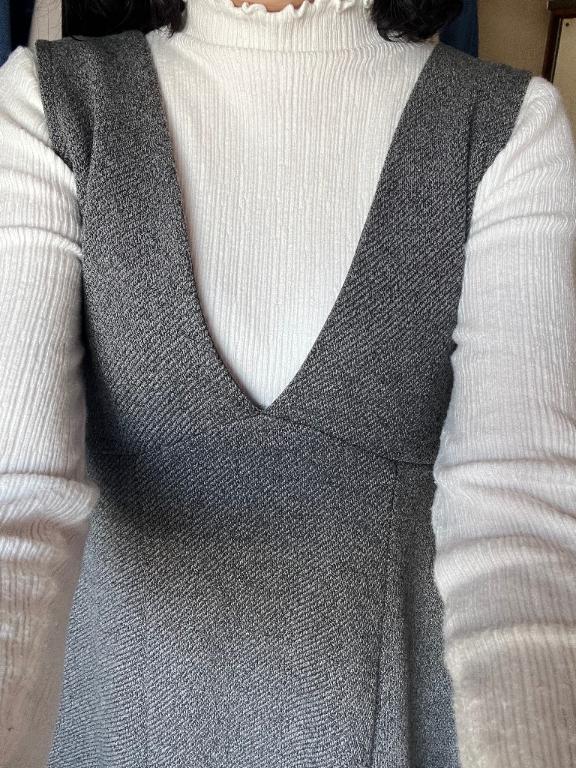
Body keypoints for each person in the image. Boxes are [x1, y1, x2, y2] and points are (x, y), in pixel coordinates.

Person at [0, 0, 575, 766]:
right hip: (109, 734)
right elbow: (16, 510)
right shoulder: (51, 107)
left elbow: (521, 538)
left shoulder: (504, 129)